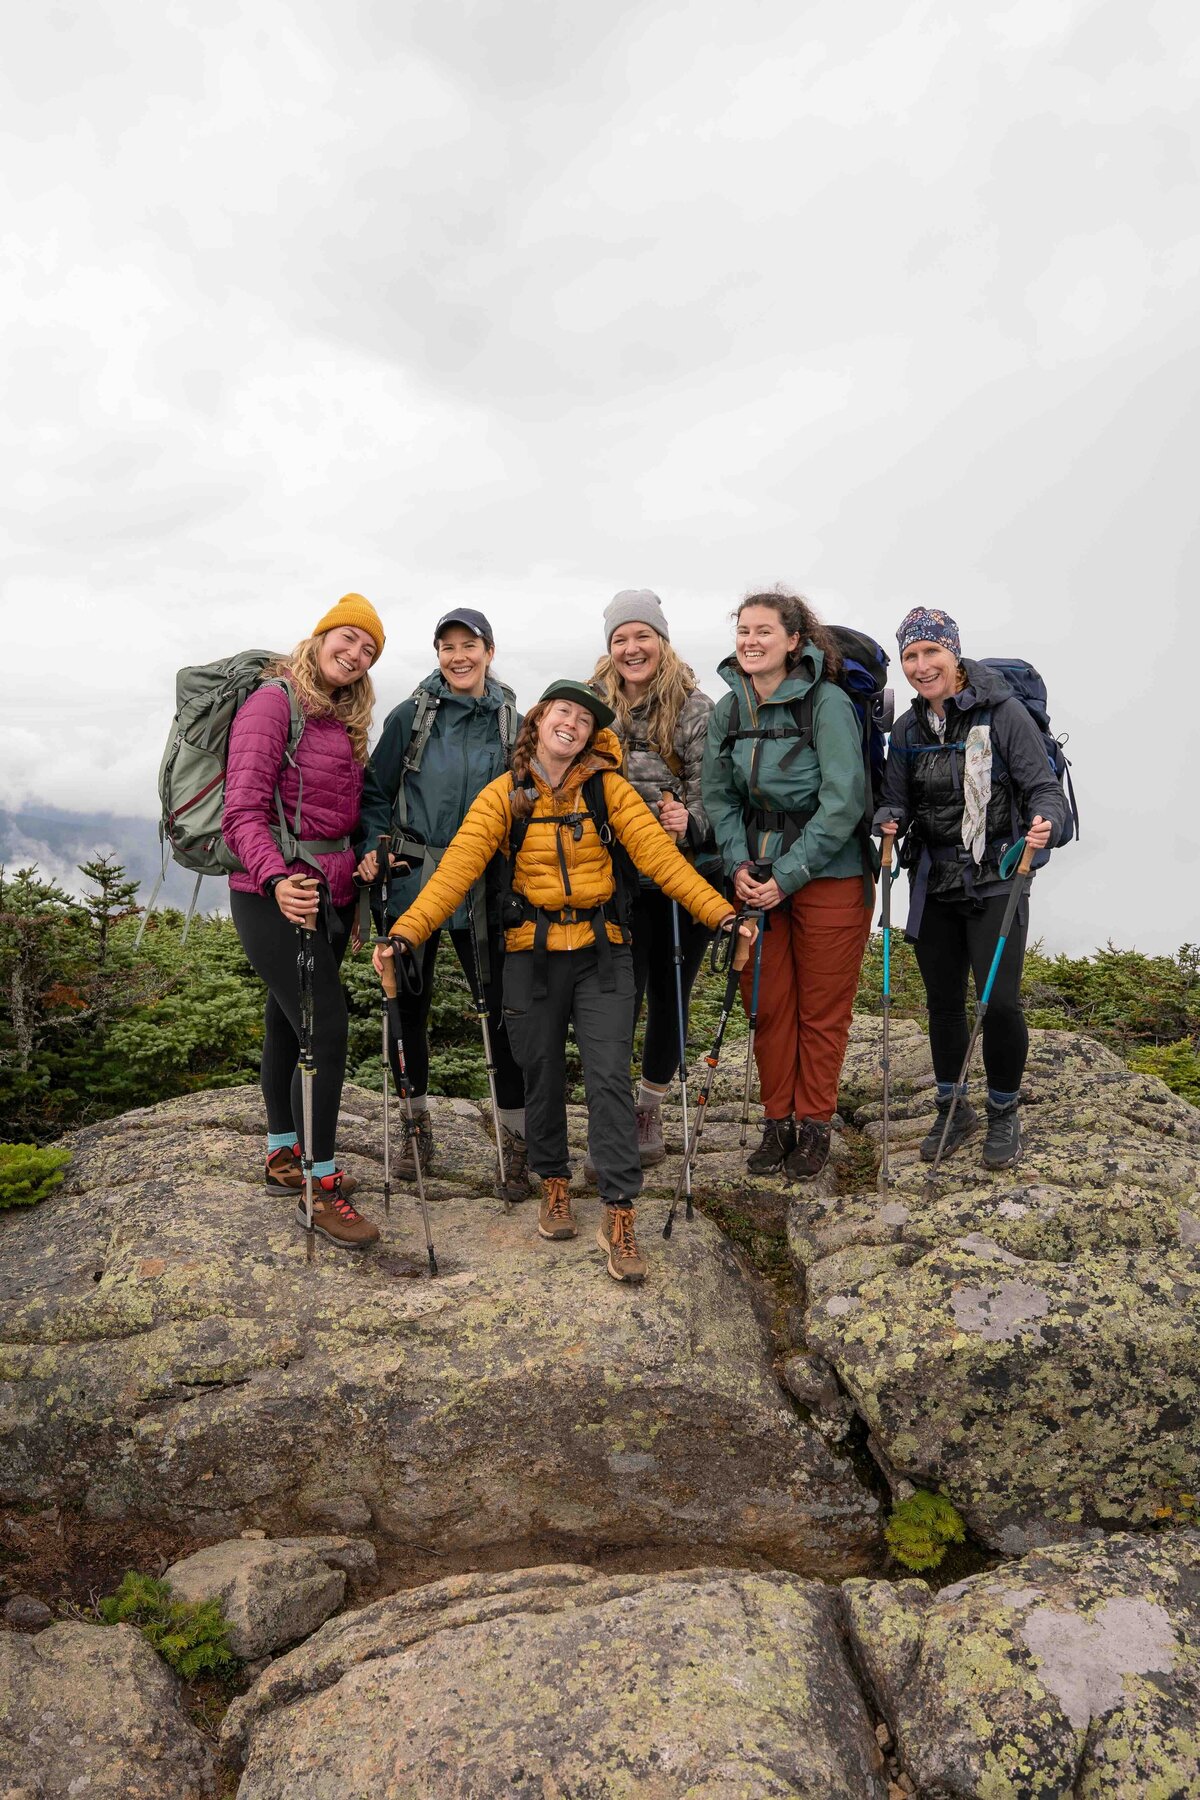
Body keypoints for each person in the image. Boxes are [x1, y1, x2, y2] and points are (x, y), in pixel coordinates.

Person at [373, 680, 750, 1284]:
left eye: (583, 717)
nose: (571, 723)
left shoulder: (610, 790)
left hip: (603, 954)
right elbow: (455, 873)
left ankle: (619, 1212)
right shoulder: (504, 796)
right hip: (529, 954)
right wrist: (405, 933)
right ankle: (553, 1182)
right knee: (540, 1072)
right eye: (561, 712)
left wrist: (721, 914)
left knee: (608, 1075)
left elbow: (660, 859)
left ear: (589, 734)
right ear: (539, 720)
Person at [223, 592, 385, 1250]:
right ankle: (321, 1185)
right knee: (326, 1021)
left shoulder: (339, 717)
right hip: (274, 893)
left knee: (287, 1022)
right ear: (319, 639)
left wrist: (359, 865)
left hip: (327, 897)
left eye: (368, 649)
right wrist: (275, 880)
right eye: (346, 639)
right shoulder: (274, 702)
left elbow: (332, 819)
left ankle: (283, 1153)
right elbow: (242, 811)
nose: (354, 653)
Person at [875, 607, 1064, 1167]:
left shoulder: (1003, 713)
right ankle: (953, 1108)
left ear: (954, 653)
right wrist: (887, 818)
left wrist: (1046, 822)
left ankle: (1004, 1109)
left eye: (931, 652)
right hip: (934, 878)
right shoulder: (908, 729)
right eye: (911, 655)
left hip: (997, 875)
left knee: (998, 1001)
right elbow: (897, 798)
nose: (921, 665)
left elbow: (1042, 788)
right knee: (943, 1002)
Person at [702, 589, 875, 1180]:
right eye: (743, 631)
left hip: (830, 876)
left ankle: (816, 1124)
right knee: (767, 1006)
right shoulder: (730, 710)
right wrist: (738, 863)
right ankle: (778, 1124)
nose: (750, 641)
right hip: (754, 876)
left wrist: (789, 875)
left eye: (764, 631)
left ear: (794, 640)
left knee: (821, 1011)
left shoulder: (825, 704)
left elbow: (844, 799)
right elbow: (718, 796)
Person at [357, 608, 528, 1201]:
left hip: (483, 882)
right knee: (409, 1005)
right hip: (413, 877)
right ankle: (415, 1127)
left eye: (469, 645)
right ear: (437, 654)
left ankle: (517, 1140)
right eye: (447, 647)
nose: (458, 656)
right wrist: (373, 850)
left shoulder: (513, 723)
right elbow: (375, 792)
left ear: (489, 650)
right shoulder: (412, 717)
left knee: (502, 1009)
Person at [589, 588, 720, 1167]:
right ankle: (614, 1112)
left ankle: (649, 1109)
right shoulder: (592, 705)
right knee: (614, 999)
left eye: (642, 635)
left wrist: (688, 820)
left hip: (678, 881)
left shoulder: (697, 710)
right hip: (610, 881)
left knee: (670, 997)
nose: (631, 647)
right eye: (620, 638)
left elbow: (717, 798)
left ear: (662, 642)